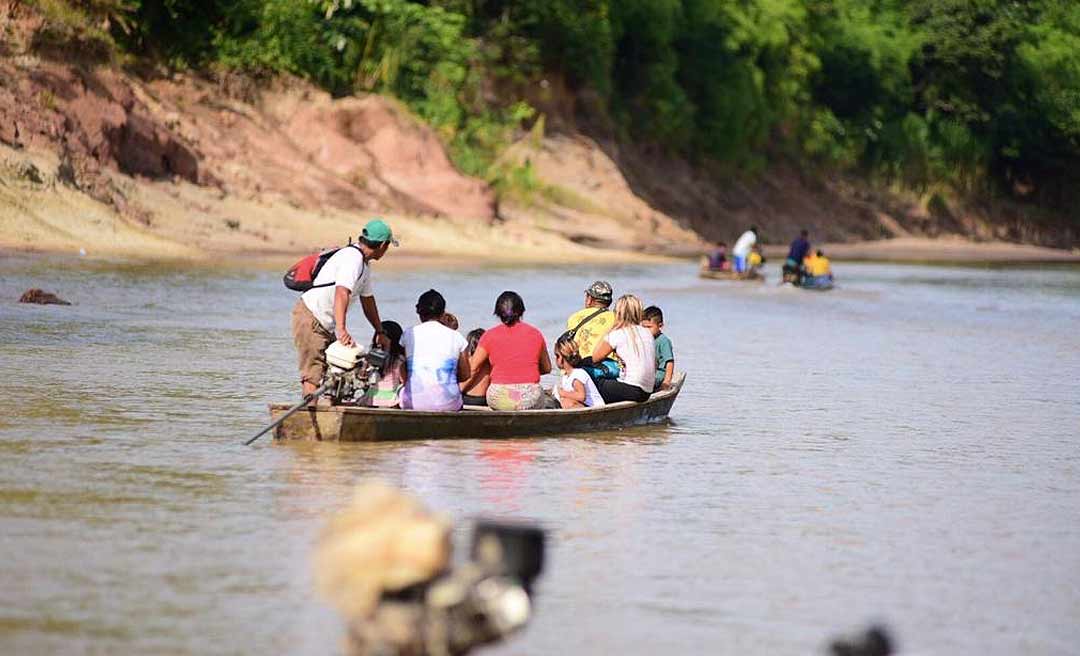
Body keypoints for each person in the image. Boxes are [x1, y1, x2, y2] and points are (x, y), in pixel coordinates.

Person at [292, 218, 397, 396]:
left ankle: (329, 414)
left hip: (325, 323)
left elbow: (368, 301)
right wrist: (341, 329)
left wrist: (380, 332)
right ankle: (308, 418)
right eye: (387, 246)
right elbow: (342, 292)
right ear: (383, 245)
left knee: (339, 372)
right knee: (313, 374)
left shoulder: (364, 263)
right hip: (311, 317)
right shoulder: (352, 258)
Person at [472, 291, 553, 410]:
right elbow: (547, 368)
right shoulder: (535, 334)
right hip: (530, 397)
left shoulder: (489, 336)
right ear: (521, 311)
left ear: (498, 313)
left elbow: (473, 367)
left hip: (499, 397)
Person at [401, 290, 471, 412]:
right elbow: (465, 375)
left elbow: (402, 370)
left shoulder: (408, 334)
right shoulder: (456, 336)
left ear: (419, 311)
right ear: (443, 313)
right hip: (449, 404)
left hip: (412, 403)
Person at [590, 294, 656, 403]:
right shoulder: (647, 332)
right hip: (647, 391)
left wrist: (610, 328)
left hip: (632, 389)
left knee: (593, 379)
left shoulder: (617, 334)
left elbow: (595, 357)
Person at [564, 280, 616, 362]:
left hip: (582, 366)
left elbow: (569, 345)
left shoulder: (575, 317)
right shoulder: (617, 318)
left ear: (589, 299)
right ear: (610, 302)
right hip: (608, 366)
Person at [359, 320, 406, 408]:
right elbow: (404, 381)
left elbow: (362, 376)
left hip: (372, 397)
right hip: (390, 399)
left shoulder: (371, 356)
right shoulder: (399, 359)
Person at [552, 334, 605, 409]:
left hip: (595, 408)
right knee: (564, 401)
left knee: (567, 402)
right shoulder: (566, 376)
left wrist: (562, 393)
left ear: (560, 358)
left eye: (556, 356)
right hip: (585, 406)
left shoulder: (577, 374)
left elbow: (581, 396)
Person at [641, 306, 674, 392]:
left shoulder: (663, 341)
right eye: (643, 327)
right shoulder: (643, 339)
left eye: (649, 327)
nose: (646, 331)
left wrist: (666, 382)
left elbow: (669, 362)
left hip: (658, 376)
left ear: (660, 325)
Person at [459, 328, 491, 407]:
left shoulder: (470, 360)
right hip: (486, 398)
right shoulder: (491, 361)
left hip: (470, 398)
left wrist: (457, 391)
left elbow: (472, 373)